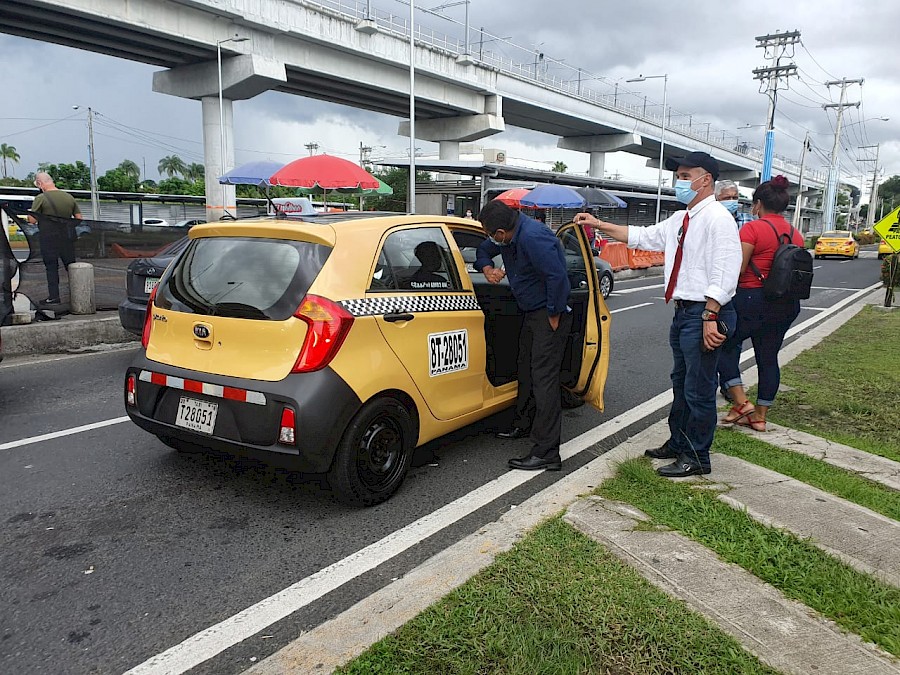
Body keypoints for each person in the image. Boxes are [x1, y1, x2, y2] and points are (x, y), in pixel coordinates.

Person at [575, 152, 741, 477]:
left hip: (704, 312)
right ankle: (677, 442)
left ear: (704, 179)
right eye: (677, 176)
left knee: (699, 387)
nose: (678, 182)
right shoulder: (681, 219)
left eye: (684, 176)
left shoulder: (718, 219)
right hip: (684, 313)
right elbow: (642, 236)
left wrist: (710, 315)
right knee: (681, 382)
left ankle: (697, 456)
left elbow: (726, 271)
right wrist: (598, 224)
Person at [475, 200, 572, 472]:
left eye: (490, 234)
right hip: (530, 313)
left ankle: (547, 452)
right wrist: (486, 268)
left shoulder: (533, 237)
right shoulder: (509, 235)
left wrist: (553, 314)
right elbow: (483, 250)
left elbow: (557, 277)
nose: (490, 239)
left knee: (545, 382)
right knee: (527, 372)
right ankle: (524, 424)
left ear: (501, 233)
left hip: (546, 315)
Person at [718, 175, 803, 432]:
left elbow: (738, 269)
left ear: (757, 205)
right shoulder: (795, 234)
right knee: (768, 358)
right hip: (785, 304)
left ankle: (742, 403)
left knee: (724, 346)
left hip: (751, 299)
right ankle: (760, 417)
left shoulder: (752, 229)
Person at [27, 172, 82, 306]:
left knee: (51, 268)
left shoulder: (41, 198)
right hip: (67, 238)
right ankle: (79, 296)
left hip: (49, 239)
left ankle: (54, 297)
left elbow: (32, 220)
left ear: (40, 183)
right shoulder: (69, 197)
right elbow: (79, 218)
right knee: (71, 267)